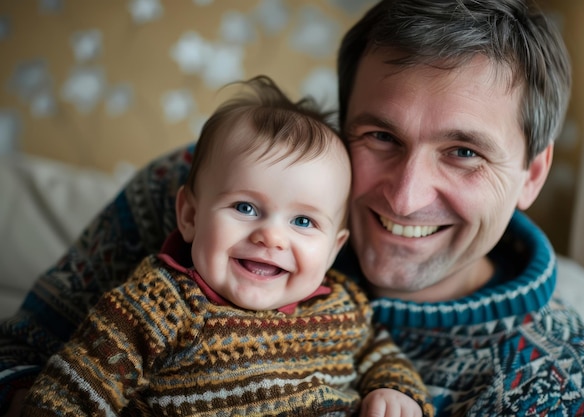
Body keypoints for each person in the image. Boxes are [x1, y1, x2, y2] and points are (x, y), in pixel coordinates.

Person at [0, 0, 584, 416]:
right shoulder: (207, 184)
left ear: (531, 174)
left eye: (462, 152)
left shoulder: (552, 380)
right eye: (380, 136)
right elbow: (23, 357)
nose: (405, 196)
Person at [20, 76, 432, 416]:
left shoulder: (344, 307)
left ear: (333, 249)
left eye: (303, 221)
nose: (271, 236)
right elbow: (76, 387)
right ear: (190, 216)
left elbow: (379, 353)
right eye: (246, 207)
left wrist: (395, 391)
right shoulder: (158, 306)